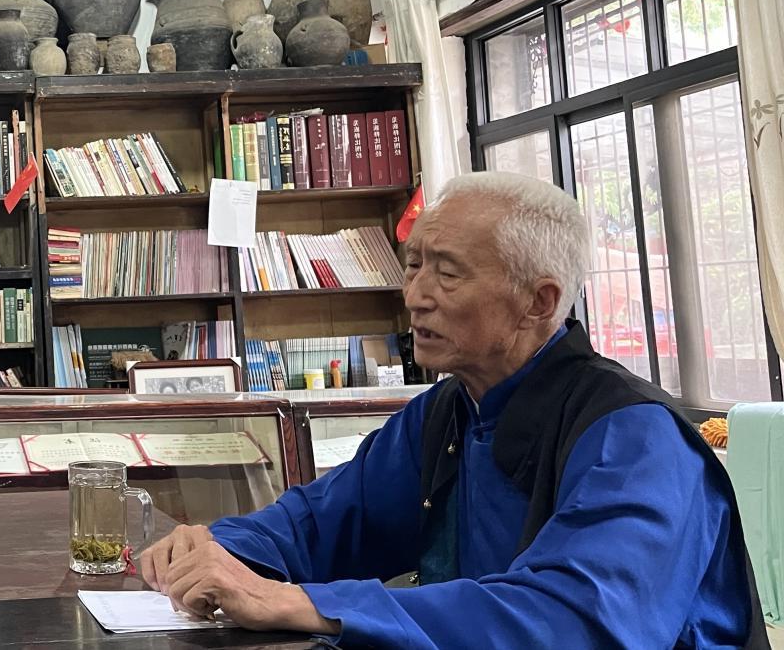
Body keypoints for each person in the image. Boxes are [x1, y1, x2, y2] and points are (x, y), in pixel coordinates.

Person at [139, 172, 766, 649]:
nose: (414, 297)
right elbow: (324, 521)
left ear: (538, 301)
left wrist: (310, 604)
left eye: (447, 274)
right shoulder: (451, 408)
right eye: (413, 266)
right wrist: (213, 549)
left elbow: (575, 620)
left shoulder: (634, 437)